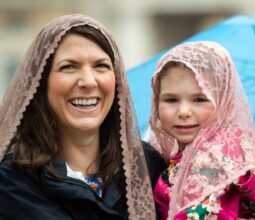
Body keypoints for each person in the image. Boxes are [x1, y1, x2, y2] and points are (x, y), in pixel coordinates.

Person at [0, 14, 166, 220]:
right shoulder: (12, 179)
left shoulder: (148, 165)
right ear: (40, 84)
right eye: (69, 66)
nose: (88, 81)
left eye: (101, 66)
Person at [149, 41, 255, 220]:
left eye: (199, 99)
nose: (183, 112)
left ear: (223, 100)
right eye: (171, 100)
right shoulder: (179, 155)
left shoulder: (218, 156)